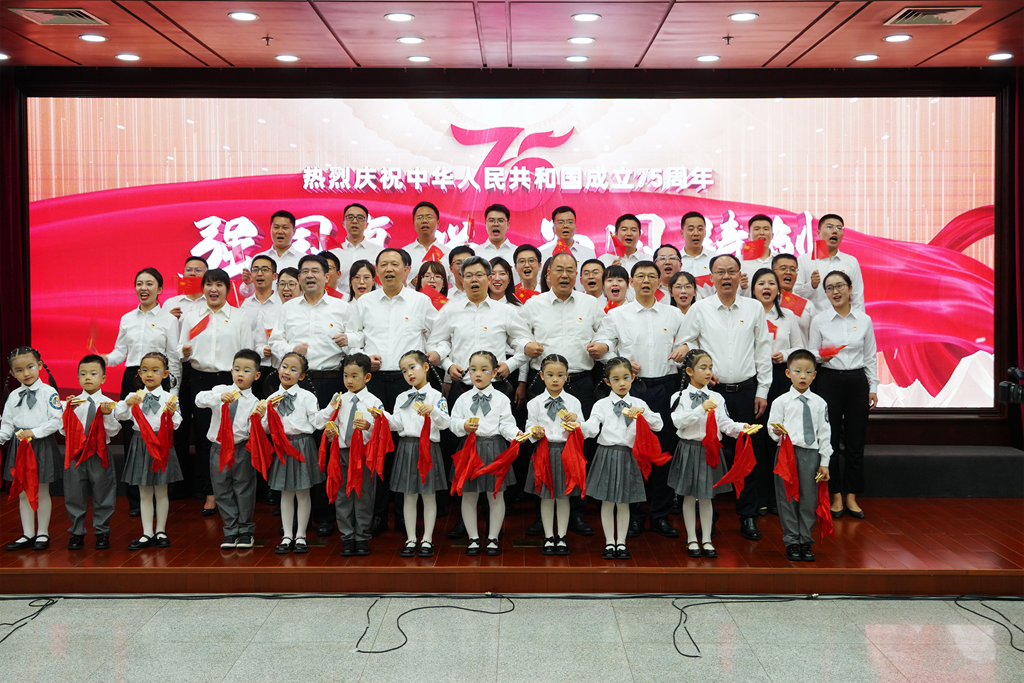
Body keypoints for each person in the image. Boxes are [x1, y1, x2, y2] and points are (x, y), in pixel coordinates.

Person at [679, 253, 772, 541]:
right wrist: (702, 368)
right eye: (720, 272)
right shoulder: (700, 309)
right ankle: (710, 515)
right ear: (711, 277)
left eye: (732, 271)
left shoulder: (754, 308)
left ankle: (748, 515)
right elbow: (685, 343)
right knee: (709, 454)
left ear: (740, 274)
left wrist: (762, 390)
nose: (726, 276)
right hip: (712, 394)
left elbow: (763, 349)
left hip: (746, 392)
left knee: (746, 456)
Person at [518, 251, 610, 536]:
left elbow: (606, 332)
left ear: (577, 275)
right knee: (541, 446)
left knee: (578, 448)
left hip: (580, 383)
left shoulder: (590, 303)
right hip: (542, 382)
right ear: (548, 274)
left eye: (570, 270)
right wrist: (525, 345)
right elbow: (518, 334)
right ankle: (542, 513)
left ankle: (577, 513)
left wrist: (603, 345)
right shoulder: (533, 304)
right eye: (559, 269)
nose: (565, 275)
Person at [347, 247, 438, 535]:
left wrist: (435, 355)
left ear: (407, 269)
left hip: (407, 383)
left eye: (394, 264)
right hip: (372, 381)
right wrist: (363, 357)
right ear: (377, 271)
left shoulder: (421, 301)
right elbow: (352, 339)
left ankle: (402, 514)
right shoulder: (364, 302)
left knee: (404, 448)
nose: (388, 269)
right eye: (383, 264)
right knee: (375, 447)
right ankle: (376, 513)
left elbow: (439, 336)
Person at [597, 261, 688, 538]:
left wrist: (686, 347)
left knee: (663, 452)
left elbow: (692, 342)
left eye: (651, 276)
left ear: (660, 282)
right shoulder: (617, 315)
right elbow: (603, 347)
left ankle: (660, 515)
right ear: (632, 282)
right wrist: (620, 362)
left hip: (666, 388)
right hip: (632, 390)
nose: (646, 281)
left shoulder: (674, 314)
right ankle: (635, 515)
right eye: (640, 276)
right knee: (632, 452)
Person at [268, 253, 353, 537]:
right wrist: (291, 350)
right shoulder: (288, 308)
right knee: (295, 447)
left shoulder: (342, 308)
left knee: (325, 448)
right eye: (304, 271)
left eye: (315, 271)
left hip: (330, 382)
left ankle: (325, 514)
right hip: (295, 384)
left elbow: (356, 340)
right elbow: (275, 341)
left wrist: (349, 342)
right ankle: (294, 518)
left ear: (327, 276)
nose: (309, 276)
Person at [103, 267, 181, 516]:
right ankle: (136, 500)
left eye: (149, 283)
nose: (143, 288)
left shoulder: (169, 319)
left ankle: (161, 494)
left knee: (160, 435)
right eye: (139, 283)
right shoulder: (127, 318)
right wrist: (105, 359)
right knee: (132, 436)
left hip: (160, 379)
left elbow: (173, 357)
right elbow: (120, 352)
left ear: (160, 289)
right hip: (133, 378)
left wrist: (174, 389)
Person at [178, 268, 253, 517]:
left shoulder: (239, 317)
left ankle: (234, 490)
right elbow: (179, 349)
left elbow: (247, 352)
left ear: (227, 289)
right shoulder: (192, 316)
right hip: (200, 379)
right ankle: (210, 492)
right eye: (209, 284)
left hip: (231, 381)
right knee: (204, 438)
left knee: (234, 436)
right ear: (203, 289)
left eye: (219, 284)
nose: (214, 289)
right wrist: (183, 352)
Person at [668, 349, 751, 559]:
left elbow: (725, 424)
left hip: (710, 451)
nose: (708, 372)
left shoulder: (717, 397)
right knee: (688, 496)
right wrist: (700, 409)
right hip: (689, 449)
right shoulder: (679, 396)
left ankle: (706, 539)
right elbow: (678, 422)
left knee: (707, 497)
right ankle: (691, 538)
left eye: (710, 368)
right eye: (702, 368)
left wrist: (741, 428)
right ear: (689, 371)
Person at [808, 270, 877, 520]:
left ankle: (852, 496)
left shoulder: (864, 320)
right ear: (825, 293)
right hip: (829, 380)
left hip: (857, 381)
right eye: (829, 288)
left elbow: (870, 356)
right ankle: (835, 495)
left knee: (855, 442)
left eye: (839, 286)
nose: (835, 291)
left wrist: (873, 387)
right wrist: (821, 356)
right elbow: (811, 354)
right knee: (830, 440)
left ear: (850, 289)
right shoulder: (820, 320)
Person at [580, 357, 663, 560]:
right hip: (607, 454)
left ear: (633, 378)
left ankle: (622, 542)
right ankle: (610, 542)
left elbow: (658, 425)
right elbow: (591, 429)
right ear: (608, 382)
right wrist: (577, 426)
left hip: (629, 456)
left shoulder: (639, 403)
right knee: (608, 502)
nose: (622, 383)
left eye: (626, 377)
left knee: (624, 502)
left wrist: (643, 414)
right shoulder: (601, 404)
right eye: (616, 379)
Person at [449, 350, 524, 557]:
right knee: (469, 495)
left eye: (484, 369)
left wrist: (516, 434)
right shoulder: (463, 398)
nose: (478, 374)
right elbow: (452, 423)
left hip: (494, 449)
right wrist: (463, 425)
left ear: (494, 372)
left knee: (495, 494)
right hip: (469, 449)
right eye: (473, 369)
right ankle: (473, 538)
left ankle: (492, 537)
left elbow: (506, 424)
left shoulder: (501, 398)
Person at [194, 349, 262, 550]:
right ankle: (231, 530)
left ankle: (245, 530)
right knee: (222, 489)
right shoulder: (221, 390)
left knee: (244, 489)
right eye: (237, 369)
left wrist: (260, 417)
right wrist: (218, 398)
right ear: (231, 371)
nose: (241, 374)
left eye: (247, 371)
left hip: (241, 449)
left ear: (257, 375)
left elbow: (258, 430)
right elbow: (199, 399)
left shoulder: (254, 402)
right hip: (218, 448)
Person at [114, 351, 183, 551]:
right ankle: (147, 533)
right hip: (140, 443)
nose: (149, 374)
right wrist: (127, 404)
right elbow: (120, 415)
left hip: (161, 444)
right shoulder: (133, 396)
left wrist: (172, 413)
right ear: (139, 373)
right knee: (144, 492)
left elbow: (177, 423)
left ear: (165, 373)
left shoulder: (170, 397)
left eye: (155, 370)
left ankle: (161, 531)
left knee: (161, 491)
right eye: (145, 370)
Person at [262, 351, 330, 554]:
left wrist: (330, 408)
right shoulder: (271, 398)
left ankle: (301, 535)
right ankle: (286, 535)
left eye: (293, 369)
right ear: (278, 368)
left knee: (303, 492)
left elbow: (317, 422)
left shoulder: (307, 397)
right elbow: (265, 429)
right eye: (284, 366)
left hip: (303, 445)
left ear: (301, 376)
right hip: (282, 447)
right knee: (285, 492)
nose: (287, 372)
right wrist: (265, 413)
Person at [768, 349, 832, 562]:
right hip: (786, 454)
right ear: (788, 373)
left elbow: (825, 434)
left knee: (809, 499)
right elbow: (771, 427)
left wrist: (824, 462)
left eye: (808, 372)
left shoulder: (819, 403)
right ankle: (792, 541)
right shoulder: (781, 402)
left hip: (810, 455)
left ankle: (805, 540)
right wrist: (776, 433)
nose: (803, 376)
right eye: (797, 371)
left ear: (815, 375)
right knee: (787, 498)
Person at [750, 267, 803, 516]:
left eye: (771, 283)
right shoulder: (747, 314)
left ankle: (777, 497)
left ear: (778, 290)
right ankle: (760, 496)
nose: (767, 287)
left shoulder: (788, 316)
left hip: (781, 379)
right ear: (753, 289)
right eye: (761, 283)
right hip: (756, 379)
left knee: (778, 438)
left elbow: (800, 349)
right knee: (758, 439)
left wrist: (785, 354)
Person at [386, 350, 450, 558]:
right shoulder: (401, 397)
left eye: (412, 367)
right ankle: (411, 538)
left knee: (429, 495)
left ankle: (428, 539)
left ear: (425, 367)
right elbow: (397, 424)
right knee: (409, 496)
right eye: (404, 371)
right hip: (406, 447)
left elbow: (445, 423)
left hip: (428, 448)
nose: (409, 374)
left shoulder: (436, 396)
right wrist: (382, 417)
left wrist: (433, 411)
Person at [322, 353, 385, 557]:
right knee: (343, 496)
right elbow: (326, 422)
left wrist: (369, 426)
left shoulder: (374, 402)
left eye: (354, 376)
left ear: (367, 377)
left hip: (364, 455)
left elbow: (383, 430)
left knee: (364, 495)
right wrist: (330, 433)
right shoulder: (339, 400)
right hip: (342, 453)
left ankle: (362, 536)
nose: (349, 380)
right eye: (345, 376)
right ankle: (347, 537)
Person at [2, 347, 61, 552]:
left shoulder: (48, 392)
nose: (26, 373)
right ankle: (27, 533)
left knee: (42, 490)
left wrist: (34, 432)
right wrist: (2, 437)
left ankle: (43, 533)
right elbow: (7, 424)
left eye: (30, 367)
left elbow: (56, 421)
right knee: (22, 492)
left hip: (40, 444)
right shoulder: (13, 395)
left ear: (40, 366)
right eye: (19, 370)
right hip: (19, 446)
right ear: (12, 373)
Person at [524, 354, 584, 555]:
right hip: (544, 451)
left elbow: (584, 428)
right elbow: (529, 426)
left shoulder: (573, 402)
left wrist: (576, 422)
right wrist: (535, 432)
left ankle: (562, 536)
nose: (555, 379)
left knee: (564, 497)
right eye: (550, 375)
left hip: (567, 452)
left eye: (560, 375)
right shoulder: (535, 403)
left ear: (567, 376)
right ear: (542, 376)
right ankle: (549, 536)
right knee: (546, 496)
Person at [61, 355, 121, 551]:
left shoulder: (108, 403)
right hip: (76, 453)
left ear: (103, 378)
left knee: (103, 492)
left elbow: (114, 432)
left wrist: (107, 415)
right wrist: (69, 412)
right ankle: (76, 532)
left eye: (93, 374)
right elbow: (63, 431)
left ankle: (102, 531)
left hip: (99, 452)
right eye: (83, 374)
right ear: (78, 377)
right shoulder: (72, 402)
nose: (87, 377)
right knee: (74, 493)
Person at [795, 214, 865, 312]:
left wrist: (859, 320)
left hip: (842, 319)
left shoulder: (851, 261)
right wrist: (811, 285)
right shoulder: (803, 260)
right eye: (829, 227)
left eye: (839, 228)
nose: (834, 231)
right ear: (818, 233)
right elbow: (795, 295)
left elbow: (857, 298)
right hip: (813, 319)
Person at [239, 210, 307, 299]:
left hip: (293, 307)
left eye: (285, 228)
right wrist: (248, 283)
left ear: (294, 231)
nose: (280, 231)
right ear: (271, 229)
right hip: (265, 307)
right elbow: (245, 294)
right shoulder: (259, 259)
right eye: (276, 227)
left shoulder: (304, 260)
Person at [240, 255, 282, 378]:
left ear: (275, 276)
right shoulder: (245, 305)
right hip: (247, 367)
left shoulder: (282, 305)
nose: (259, 273)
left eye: (264, 269)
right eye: (255, 270)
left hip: (274, 366)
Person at [330, 202, 383, 298]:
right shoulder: (333, 254)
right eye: (350, 217)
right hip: (340, 302)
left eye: (359, 218)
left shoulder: (379, 252)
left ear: (366, 224)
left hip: (371, 302)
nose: (354, 221)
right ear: (343, 223)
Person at [403, 201, 452, 285]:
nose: (424, 221)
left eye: (429, 217)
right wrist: (411, 283)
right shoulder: (403, 254)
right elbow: (396, 285)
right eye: (419, 217)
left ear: (438, 223)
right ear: (414, 224)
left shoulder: (448, 254)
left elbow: (456, 286)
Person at [772, 253, 816, 340]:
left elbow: (813, 339)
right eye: (783, 268)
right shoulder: (765, 302)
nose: (788, 272)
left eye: (792, 269)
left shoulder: (807, 305)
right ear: (772, 272)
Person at [163, 255, 209, 324]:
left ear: (207, 274)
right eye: (188, 270)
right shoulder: (170, 303)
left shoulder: (213, 302)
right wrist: (168, 320)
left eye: (198, 270)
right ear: (183, 274)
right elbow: (160, 329)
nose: (192, 273)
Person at [474, 203, 518, 269]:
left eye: (500, 221)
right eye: (491, 220)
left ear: (508, 225)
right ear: (485, 224)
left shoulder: (517, 253)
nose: (496, 224)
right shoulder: (475, 253)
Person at [739, 214, 775, 294]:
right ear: (749, 236)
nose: (761, 233)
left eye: (766, 229)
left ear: (772, 235)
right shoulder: (738, 262)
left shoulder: (780, 261)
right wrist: (739, 287)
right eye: (757, 229)